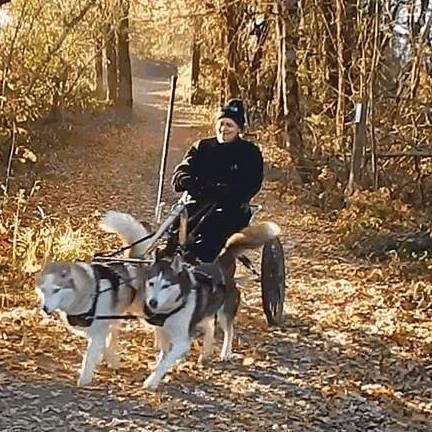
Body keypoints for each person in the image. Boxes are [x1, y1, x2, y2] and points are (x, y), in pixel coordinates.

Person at [170, 98, 264, 262]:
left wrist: (227, 191)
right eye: (221, 123)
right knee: (177, 225)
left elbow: (252, 183)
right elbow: (182, 170)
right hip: (197, 203)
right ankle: (168, 262)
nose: (224, 129)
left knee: (213, 229)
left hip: (231, 208)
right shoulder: (202, 147)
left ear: (239, 129)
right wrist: (185, 180)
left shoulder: (249, 153)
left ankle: (202, 264)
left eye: (230, 125)